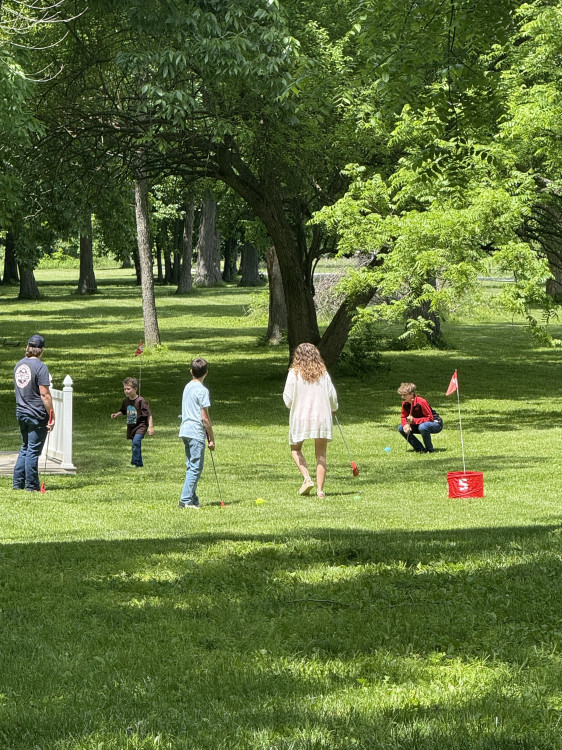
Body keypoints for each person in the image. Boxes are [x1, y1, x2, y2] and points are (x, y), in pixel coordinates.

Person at [283, 343, 338, 498]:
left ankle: (307, 478)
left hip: (301, 416)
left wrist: (293, 405)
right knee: (321, 454)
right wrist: (334, 408)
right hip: (321, 417)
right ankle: (320, 491)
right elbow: (332, 396)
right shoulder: (323, 373)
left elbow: (287, 399)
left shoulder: (294, 373)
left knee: (295, 449)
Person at [13, 334, 55, 492]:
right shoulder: (40, 367)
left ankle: (18, 483)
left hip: (21, 412)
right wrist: (52, 415)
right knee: (33, 450)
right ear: (41, 350)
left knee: (25, 447)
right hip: (36, 414)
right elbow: (44, 394)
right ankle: (32, 485)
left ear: (28, 348)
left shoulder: (19, 365)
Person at [178, 357, 215, 509]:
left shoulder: (187, 386)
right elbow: (204, 418)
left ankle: (193, 499)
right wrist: (211, 438)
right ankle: (185, 500)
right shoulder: (202, 391)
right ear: (207, 372)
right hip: (195, 432)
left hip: (185, 430)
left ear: (191, 371)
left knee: (191, 466)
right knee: (195, 468)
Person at [110, 377, 154, 467]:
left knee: (136, 442)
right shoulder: (126, 401)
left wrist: (150, 427)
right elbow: (123, 411)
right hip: (131, 426)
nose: (126, 391)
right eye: (125, 389)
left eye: (128, 389)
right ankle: (139, 464)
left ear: (135, 389)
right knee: (135, 444)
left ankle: (135, 463)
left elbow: (149, 414)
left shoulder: (140, 400)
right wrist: (117, 414)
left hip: (141, 426)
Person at [397, 382, 443, 453]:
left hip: (435, 423)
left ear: (411, 394)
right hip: (420, 424)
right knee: (401, 428)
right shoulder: (405, 403)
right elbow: (403, 416)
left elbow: (430, 418)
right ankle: (419, 449)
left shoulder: (421, 402)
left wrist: (414, 421)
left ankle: (429, 450)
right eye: (402, 395)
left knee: (423, 427)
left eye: (405, 395)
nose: (402, 397)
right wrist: (405, 425)